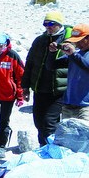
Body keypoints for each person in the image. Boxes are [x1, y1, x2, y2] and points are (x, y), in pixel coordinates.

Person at [21, 12, 73, 146]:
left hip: (59, 91)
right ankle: (43, 149)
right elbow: (30, 63)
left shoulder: (70, 41)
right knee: (38, 122)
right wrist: (25, 86)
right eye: (45, 24)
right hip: (40, 88)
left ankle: (50, 152)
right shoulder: (40, 40)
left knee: (49, 123)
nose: (48, 27)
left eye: (51, 24)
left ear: (59, 24)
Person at [59, 24, 89, 122]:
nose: (77, 44)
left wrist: (74, 55)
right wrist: (52, 52)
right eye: (75, 41)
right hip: (69, 105)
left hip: (88, 107)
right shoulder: (77, 53)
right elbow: (51, 66)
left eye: (80, 40)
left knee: (87, 137)